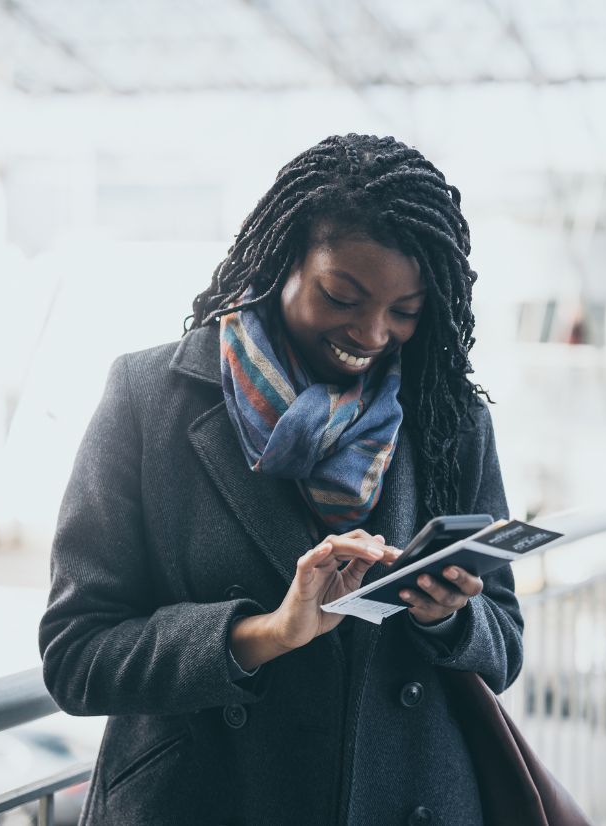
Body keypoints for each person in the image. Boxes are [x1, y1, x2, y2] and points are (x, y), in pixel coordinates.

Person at [38, 134, 523, 825]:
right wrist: (265, 633)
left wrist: (446, 617)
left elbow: (504, 646)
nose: (373, 333)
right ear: (280, 262)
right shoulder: (150, 398)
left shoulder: (448, 421)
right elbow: (76, 655)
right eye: (342, 296)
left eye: (404, 311)